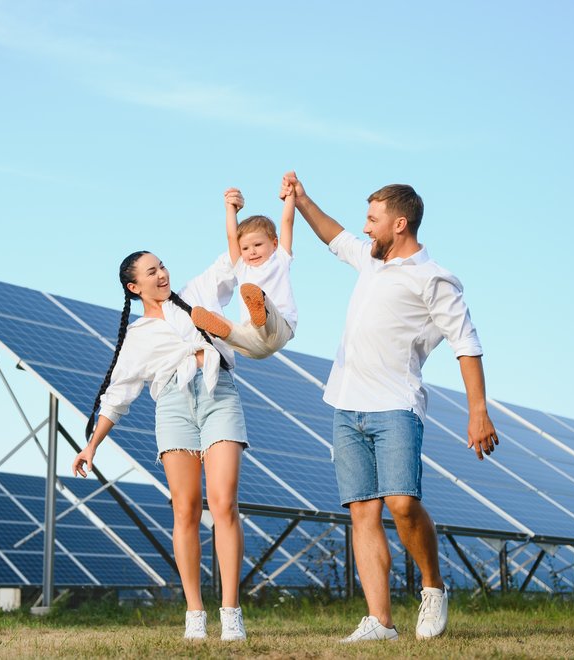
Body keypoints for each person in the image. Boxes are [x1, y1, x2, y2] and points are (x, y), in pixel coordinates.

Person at [279, 171, 499, 643]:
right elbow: (332, 234)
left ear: (400, 224)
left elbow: (467, 343)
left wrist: (477, 409)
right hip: (345, 403)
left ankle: (433, 587)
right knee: (363, 512)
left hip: (396, 405)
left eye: (373, 219)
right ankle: (380, 622)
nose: (365, 228)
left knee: (402, 503)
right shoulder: (371, 261)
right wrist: (300, 199)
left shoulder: (433, 278)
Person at [72, 251, 250, 642]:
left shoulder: (195, 294)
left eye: (163, 266)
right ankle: (195, 614)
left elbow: (231, 262)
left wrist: (232, 213)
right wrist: (92, 446)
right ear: (135, 287)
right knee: (185, 509)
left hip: (217, 394)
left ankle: (231, 612)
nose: (163, 274)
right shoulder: (136, 337)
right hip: (172, 407)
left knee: (223, 504)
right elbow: (118, 395)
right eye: (152, 271)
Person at [190, 187, 298, 359]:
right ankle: (221, 327)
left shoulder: (280, 259)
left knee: (262, 311)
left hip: (279, 328)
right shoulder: (242, 267)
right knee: (234, 332)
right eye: (246, 248)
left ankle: (259, 309)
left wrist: (290, 197)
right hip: (254, 344)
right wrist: (230, 209)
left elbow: (287, 223)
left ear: (275, 243)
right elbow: (232, 237)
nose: (252, 252)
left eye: (258, 245)